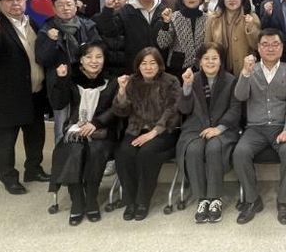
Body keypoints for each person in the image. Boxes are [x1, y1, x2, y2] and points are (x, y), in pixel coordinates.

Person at [0, 0, 49, 194]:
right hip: (8, 97)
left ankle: (33, 169)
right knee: (6, 141)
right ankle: (9, 178)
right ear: (0, 3)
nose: (15, 3)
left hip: (35, 93)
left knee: (36, 136)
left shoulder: (33, 23)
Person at [232, 29, 286, 225]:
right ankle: (253, 199)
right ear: (258, 48)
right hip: (255, 128)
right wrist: (245, 73)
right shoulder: (250, 69)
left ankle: (283, 201)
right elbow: (240, 96)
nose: (270, 48)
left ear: (282, 47)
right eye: (265, 44)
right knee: (240, 153)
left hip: (281, 126)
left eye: (275, 44)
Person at [49, 42, 118, 225]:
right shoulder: (71, 78)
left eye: (99, 57)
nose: (94, 61)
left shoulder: (112, 80)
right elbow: (58, 103)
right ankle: (77, 200)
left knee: (96, 151)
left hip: (101, 130)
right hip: (75, 129)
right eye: (89, 57)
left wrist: (96, 123)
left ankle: (92, 198)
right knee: (74, 150)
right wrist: (61, 80)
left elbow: (116, 109)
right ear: (81, 60)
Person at [112, 47, 180, 221]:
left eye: (152, 63)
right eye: (144, 63)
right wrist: (121, 91)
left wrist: (154, 132)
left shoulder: (170, 81)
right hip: (136, 130)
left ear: (159, 65)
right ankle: (130, 201)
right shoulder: (132, 82)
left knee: (146, 153)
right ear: (138, 66)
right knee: (124, 153)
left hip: (163, 132)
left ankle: (142, 201)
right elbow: (121, 112)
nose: (148, 67)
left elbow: (173, 110)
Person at [177, 43, 241, 224]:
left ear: (221, 61)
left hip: (223, 129)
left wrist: (218, 129)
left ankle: (215, 199)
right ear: (199, 61)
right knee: (194, 149)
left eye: (214, 58)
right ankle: (202, 199)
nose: (210, 62)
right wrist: (186, 86)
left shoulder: (231, 80)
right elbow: (183, 109)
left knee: (214, 148)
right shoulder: (193, 79)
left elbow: (235, 110)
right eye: (206, 58)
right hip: (195, 129)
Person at [35, 0, 101, 144]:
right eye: (60, 5)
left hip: (85, 83)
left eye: (69, 4)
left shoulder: (88, 25)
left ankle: (84, 155)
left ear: (76, 6)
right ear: (53, 8)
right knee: (62, 126)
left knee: (87, 123)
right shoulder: (46, 28)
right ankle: (62, 155)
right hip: (60, 84)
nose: (65, 8)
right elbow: (42, 58)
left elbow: (99, 50)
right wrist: (51, 41)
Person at [93, 0, 164, 73]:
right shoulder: (126, 11)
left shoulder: (164, 9)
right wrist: (108, 10)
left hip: (159, 63)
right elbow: (110, 32)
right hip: (135, 65)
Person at [205, 0, 261, 76]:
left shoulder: (251, 17)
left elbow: (257, 46)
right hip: (219, 70)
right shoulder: (213, 19)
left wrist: (251, 28)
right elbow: (207, 46)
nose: (232, 0)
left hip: (245, 70)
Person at [156, 0, 207, 78]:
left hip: (201, 68)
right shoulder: (173, 17)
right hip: (177, 69)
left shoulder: (208, 19)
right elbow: (162, 44)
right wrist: (166, 23)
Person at [91, 0, 130, 78]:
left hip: (128, 68)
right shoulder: (97, 19)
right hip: (104, 69)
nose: (115, 0)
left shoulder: (133, 18)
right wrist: (108, 10)